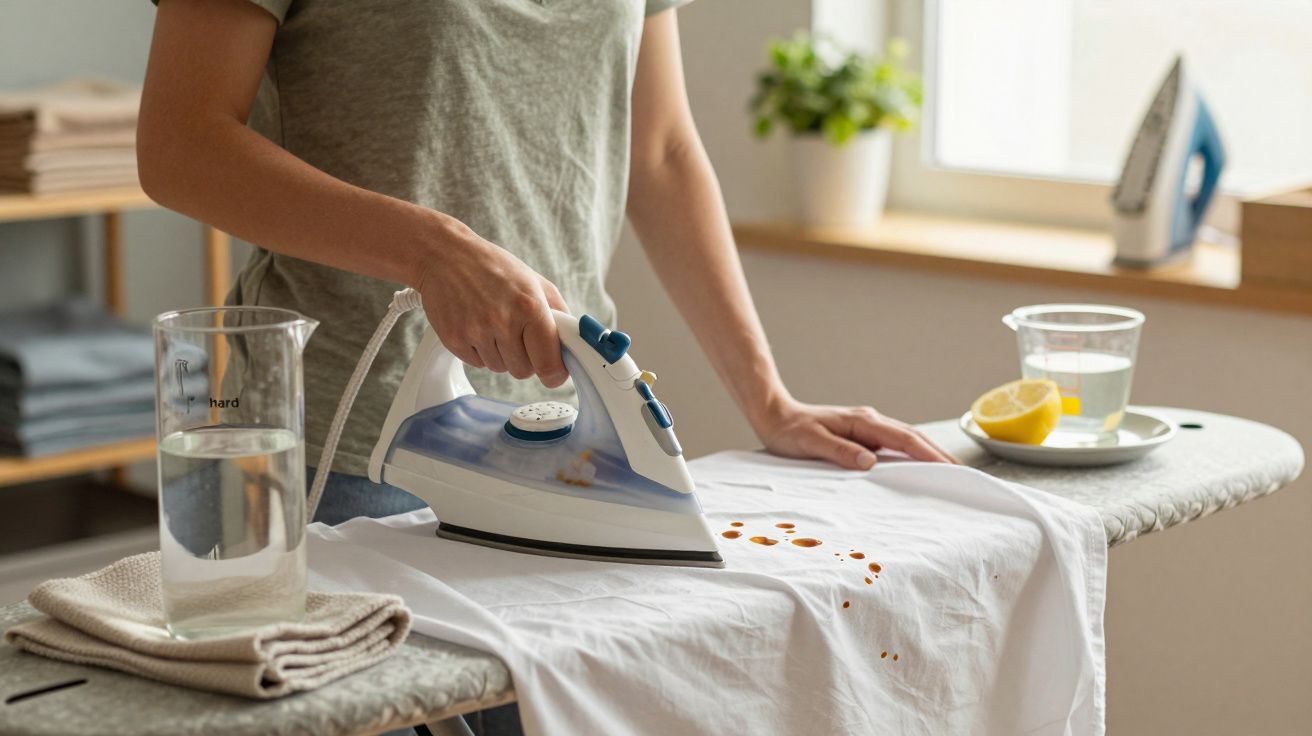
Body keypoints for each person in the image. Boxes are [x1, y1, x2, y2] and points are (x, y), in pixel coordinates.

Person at [138, 0, 955, 729]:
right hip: (332, 449)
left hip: (558, 456)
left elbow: (660, 150)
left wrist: (769, 400)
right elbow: (180, 143)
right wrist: (435, 250)